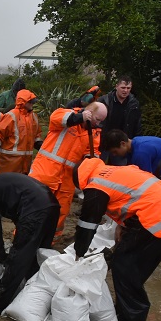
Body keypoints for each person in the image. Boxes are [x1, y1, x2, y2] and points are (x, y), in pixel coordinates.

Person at [72, 157, 161, 321]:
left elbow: (87, 225)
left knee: (124, 266)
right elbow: (134, 196)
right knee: (134, 268)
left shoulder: (96, 185)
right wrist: (123, 226)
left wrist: (79, 253)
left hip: (156, 220)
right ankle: (129, 310)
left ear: (80, 180)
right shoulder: (113, 171)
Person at [0, 173, 60, 314]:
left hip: (35, 209)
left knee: (18, 257)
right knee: (38, 255)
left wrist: (0, 250)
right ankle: (39, 300)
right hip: (51, 205)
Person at [29, 102, 108, 239]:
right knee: (36, 208)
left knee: (60, 212)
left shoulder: (94, 133)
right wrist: (79, 117)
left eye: (101, 121)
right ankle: (24, 238)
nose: (98, 124)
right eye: (97, 119)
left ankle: (49, 241)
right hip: (46, 173)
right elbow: (57, 119)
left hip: (66, 180)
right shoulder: (65, 114)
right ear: (89, 112)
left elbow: (92, 152)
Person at [101, 130, 161, 199]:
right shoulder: (135, 143)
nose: (114, 155)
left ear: (123, 144)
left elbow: (145, 184)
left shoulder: (140, 153)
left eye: (115, 151)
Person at [0, 89, 42, 175]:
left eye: (33, 102)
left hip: (25, 162)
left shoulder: (33, 117)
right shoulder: (12, 115)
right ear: (22, 102)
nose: (32, 104)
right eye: (30, 102)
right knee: (8, 185)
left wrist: (39, 144)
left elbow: (36, 134)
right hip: (9, 162)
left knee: (21, 185)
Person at [98, 75, 142, 164]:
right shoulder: (104, 100)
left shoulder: (134, 104)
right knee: (99, 168)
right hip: (103, 142)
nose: (125, 90)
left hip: (121, 144)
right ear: (116, 86)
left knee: (118, 171)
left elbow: (137, 125)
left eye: (128, 88)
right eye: (123, 87)